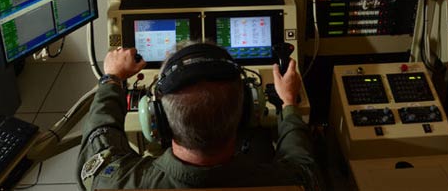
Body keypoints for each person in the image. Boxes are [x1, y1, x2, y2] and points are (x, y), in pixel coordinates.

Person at [76, 42, 321, 190]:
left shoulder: (111, 182)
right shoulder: (293, 182)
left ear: (157, 119)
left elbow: (100, 135)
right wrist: (289, 103)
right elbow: (301, 159)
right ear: (248, 110)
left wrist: (112, 78)